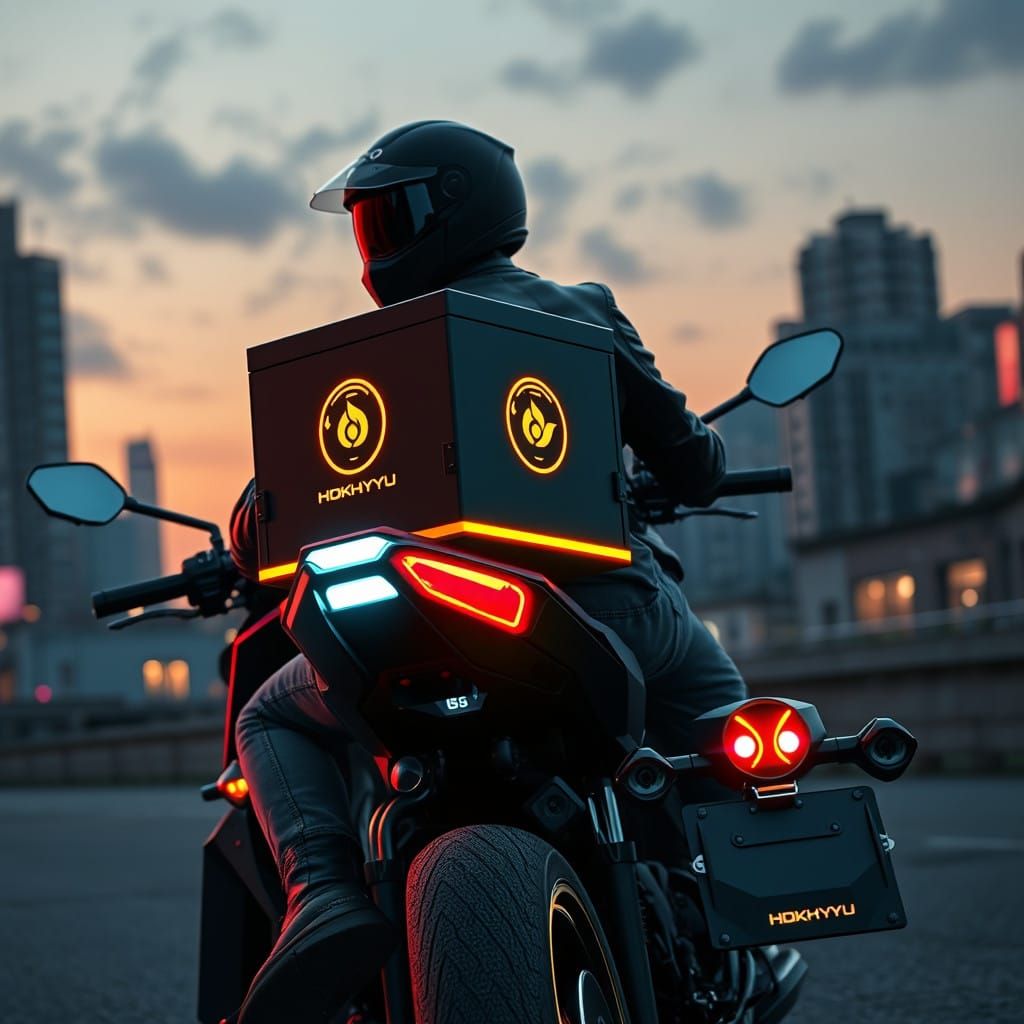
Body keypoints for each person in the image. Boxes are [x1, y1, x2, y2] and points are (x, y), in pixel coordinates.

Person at [228, 119, 747, 1024]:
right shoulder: (578, 309)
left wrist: (246, 534)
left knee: (269, 712)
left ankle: (322, 892)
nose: (374, 243)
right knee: (723, 720)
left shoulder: (359, 362)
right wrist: (697, 454)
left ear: (450, 213)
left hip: (415, 627)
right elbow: (691, 458)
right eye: (369, 223)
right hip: (602, 611)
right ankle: (730, 909)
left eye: (388, 218)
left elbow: (258, 518)